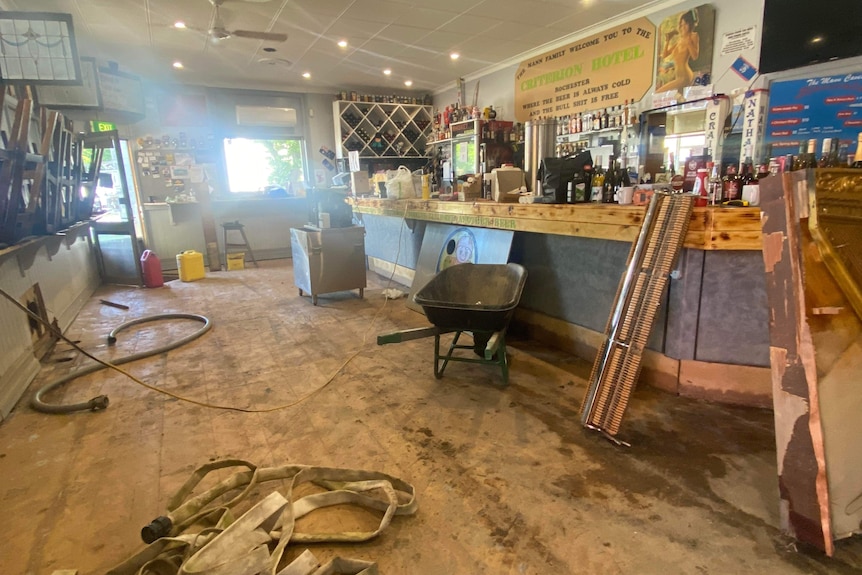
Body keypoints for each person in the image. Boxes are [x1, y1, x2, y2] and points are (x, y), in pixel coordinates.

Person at [656, 10, 700, 94]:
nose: (683, 27)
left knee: (658, 92)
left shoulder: (693, 36)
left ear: (690, 24)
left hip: (685, 76)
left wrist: (689, 43)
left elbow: (695, 56)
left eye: (685, 24)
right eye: (681, 25)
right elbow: (665, 54)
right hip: (678, 76)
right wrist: (667, 41)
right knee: (679, 102)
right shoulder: (680, 40)